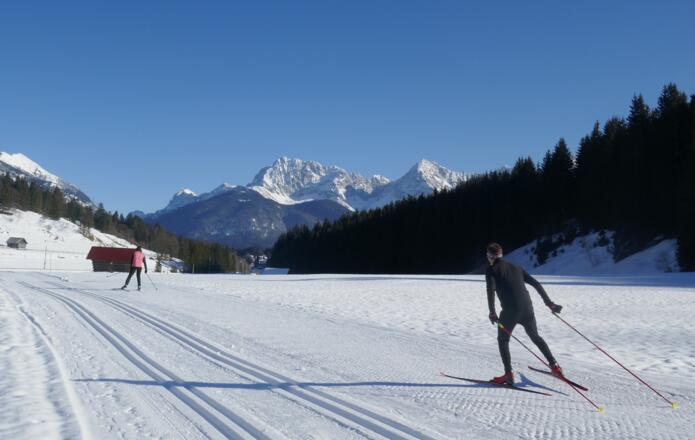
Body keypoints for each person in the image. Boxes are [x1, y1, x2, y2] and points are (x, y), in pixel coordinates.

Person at [485, 242, 563, 385]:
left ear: (489, 256)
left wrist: (492, 312)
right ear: (501, 255)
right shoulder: (516, 267)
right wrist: (549, 303)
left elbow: (490, 290)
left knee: (503, 340)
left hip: (510, 312)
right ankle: (555, 367)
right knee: (535, 336)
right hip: (527, 308)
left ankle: (508, 375)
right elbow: (536, 284)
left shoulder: (491, 270)